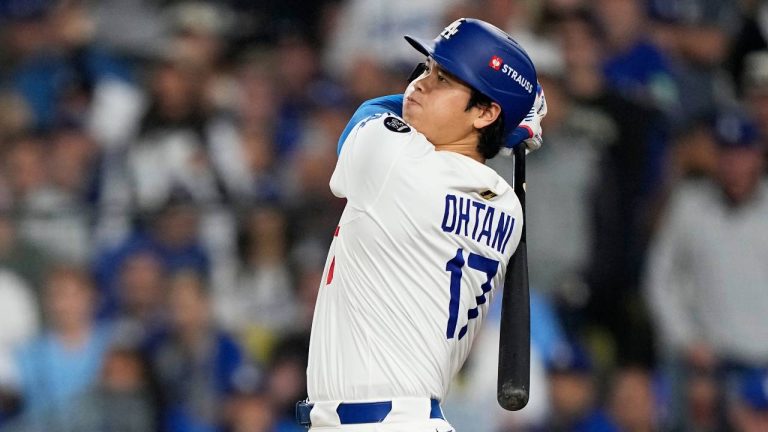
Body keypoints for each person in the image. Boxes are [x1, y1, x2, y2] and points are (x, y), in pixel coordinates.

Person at [299, 18, 547, 431]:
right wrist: (507, 125)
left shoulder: (397, 162)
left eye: (445, 79)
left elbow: (368, 113)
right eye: (428, 67)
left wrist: (512, 128)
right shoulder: (508, 207)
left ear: (486, 112)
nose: (420, 84)